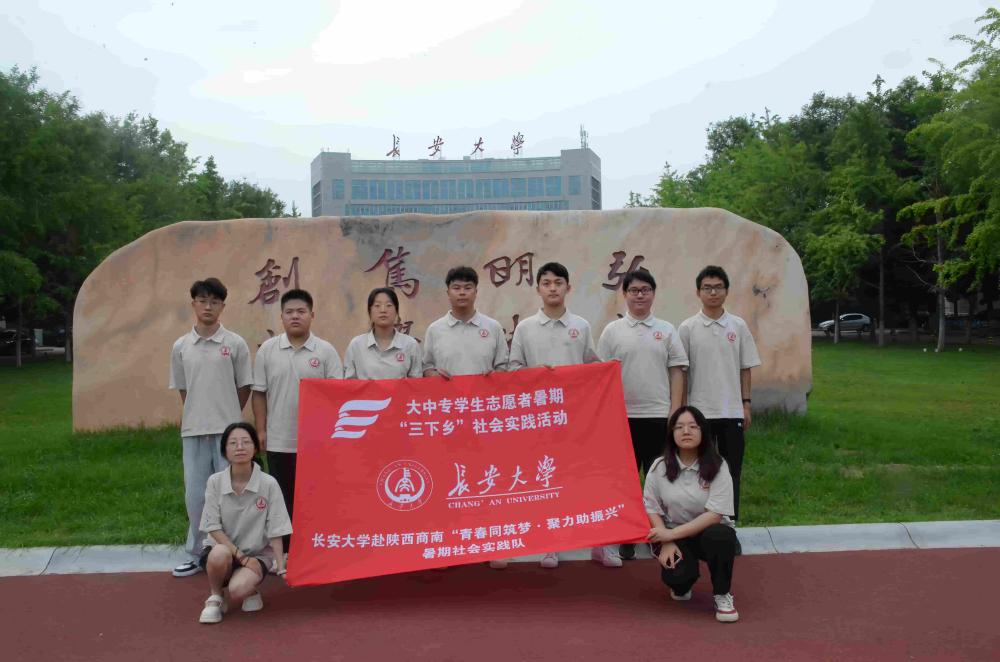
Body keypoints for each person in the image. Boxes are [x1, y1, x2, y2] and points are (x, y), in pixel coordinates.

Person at [508, 262, 615, 569]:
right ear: (538, 289)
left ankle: (599, 543)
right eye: (546, 283)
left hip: (577, 419)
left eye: (558, 282)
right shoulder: (526, 328)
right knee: (548, 481)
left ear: (568, 287)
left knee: (586, 479)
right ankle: (550, 544)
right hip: (540, 419)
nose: (552, 288)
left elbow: (591, 365)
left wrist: (609, 370)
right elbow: (513, 369)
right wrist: (536, 375)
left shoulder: (580, 326)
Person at [597, 269, 688, 561]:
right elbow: (601, 375)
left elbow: (677, 371)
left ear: (653, 294)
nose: (640, 295)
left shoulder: (667, 329)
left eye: (645, 290)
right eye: (634, 290)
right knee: (625, 481)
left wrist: (675, 411)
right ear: (624, 294)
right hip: (621, 418)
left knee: (657, 479)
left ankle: (657, 534)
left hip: (659, 415)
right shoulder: (612, 331)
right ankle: (627, 534)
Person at [169, 278, 253, 578]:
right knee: (196, 497)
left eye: (214, 302)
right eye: (202, 300)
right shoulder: (181, 346)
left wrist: (227, 415)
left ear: (222, 306)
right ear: (193, 304)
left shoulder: (235, 344)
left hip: (228, 435)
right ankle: (196, 553)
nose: (208, 307)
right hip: (193, 431)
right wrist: (199, 413)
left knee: (232, 494)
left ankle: (234, 554)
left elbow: (244, 386)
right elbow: (184, 390)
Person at [252, 289, 343, 552]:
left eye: (301, 312)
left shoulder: (325, 351)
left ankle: (316, 548)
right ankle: (287, 552)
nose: (295, 316)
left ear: (312, 315)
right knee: (282, 498)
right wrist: (261, 430)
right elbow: (259, 393)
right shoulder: (268, 350)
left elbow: (337, 395)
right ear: (281, 317)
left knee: (315, 497)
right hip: (279, 439)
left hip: (316, 441)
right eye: (289, 312)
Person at [678, 266, 760, 554]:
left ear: (726, 290)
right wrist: (683, 412)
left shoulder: (738, 326)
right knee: (699, 473)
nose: (712, 292)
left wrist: (746, 404)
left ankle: (729, 527)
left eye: (718, 287)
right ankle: (697, 528)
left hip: (731, 412)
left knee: (731, 472)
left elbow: (745, 368)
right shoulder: (687, 328)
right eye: (707, 287)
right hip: (699, 415)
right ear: (698, 292)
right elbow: (682, 372)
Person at [644, 406, 739, 623]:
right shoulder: (659, 467)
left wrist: (670, 534)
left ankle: (722, 594)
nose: (686, 431)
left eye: (693, 426)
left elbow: (714, 514)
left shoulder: (718, 465)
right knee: (677, 578)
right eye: (679, 427)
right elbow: (651, 506)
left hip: (707, 532)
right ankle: (683, 583)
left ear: (703, 431)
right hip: (674, 534)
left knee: (721, 536)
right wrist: (666, 540)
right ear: (672, 433)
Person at [197, 422, 292, 624]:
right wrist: (241, 557)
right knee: (219, 553)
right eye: (233, 443)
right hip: (223, 551)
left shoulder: (269, 483)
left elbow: (277, 527)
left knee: (238, 589)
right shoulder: (215, 481)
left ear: (255, 448)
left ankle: (249, 588)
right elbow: (212, 527)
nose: (239, 447)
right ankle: (216, 596)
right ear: (224, 451)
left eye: (246, 442)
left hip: (257, 555)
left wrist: (281, 566)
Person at [422, 266, 508, 379]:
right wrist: (435, 376)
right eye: (456, 288)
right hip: (447, 391)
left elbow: (503, 365)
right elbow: (427, 366)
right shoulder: (435, 329)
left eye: (468, 288)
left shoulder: (493, 327)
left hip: (484, 390)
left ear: (476, 292)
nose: (462, 293)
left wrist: (494, 376)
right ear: (448, 293)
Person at [344, 287, 423, 379]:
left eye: (389, 305)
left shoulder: (410, 344)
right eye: (377, 305)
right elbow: (350, 383)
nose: (383, 310)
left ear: (396, 312)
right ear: (370, 312)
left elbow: (416, 383)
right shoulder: (356, 345)